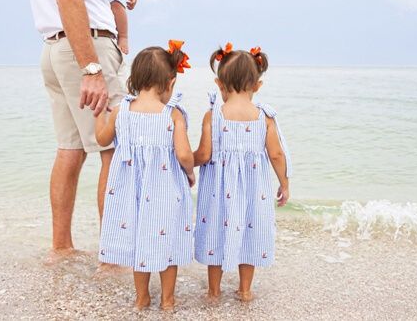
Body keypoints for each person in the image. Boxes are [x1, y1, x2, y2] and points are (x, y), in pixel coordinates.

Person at [30, 0, 137, 261]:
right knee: (114, 149)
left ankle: (62, 249)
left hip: (56, 48)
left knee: (70, 149)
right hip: (87, 45)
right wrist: (92, 69)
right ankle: (112, 257)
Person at [96, 40, 196, 310]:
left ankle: (142, 298)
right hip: (165, 192)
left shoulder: (121, 112)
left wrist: (97, 115)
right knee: (169, 242)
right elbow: (185, 155)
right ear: (170, 83)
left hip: (130, 193)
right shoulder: (172, 115)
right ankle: (167, 299)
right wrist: (190, 173)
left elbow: (102, 139)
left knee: (140, 241)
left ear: (134, 79)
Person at [193, 43, 291, 302]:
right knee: (251, 232)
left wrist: (183, 164)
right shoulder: (263, 117)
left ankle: (213, 291)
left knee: (215, 229)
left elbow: (203, 155)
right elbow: (276, 154)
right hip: (253, 192)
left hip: (216, 192)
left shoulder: (213, 116)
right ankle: (245, 290)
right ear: (257, 85)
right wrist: (284, 183)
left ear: (219, 83)